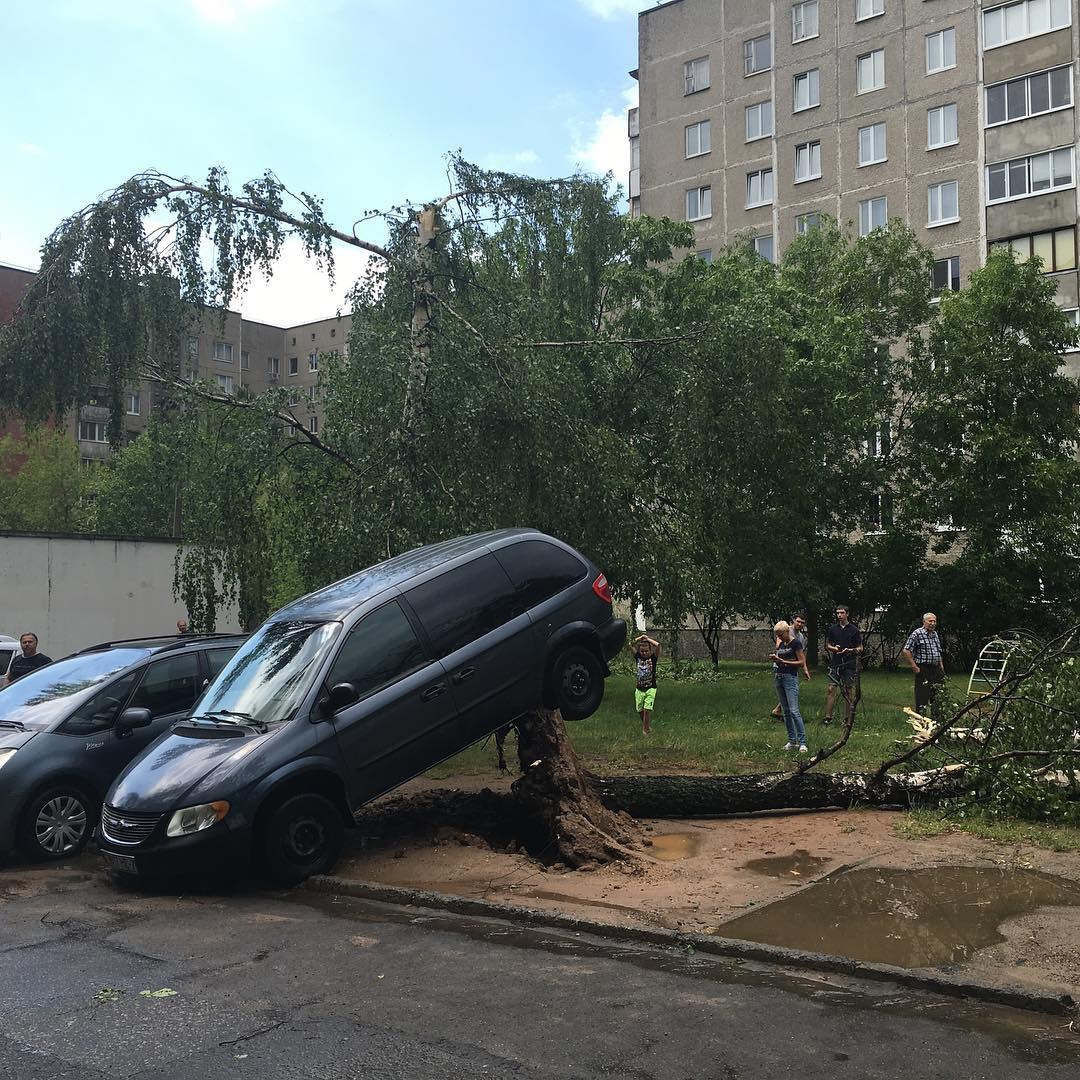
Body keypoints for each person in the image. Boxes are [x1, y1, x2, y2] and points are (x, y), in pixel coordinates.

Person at [770, 621, 808, 753]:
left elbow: (801, 661)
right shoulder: (781, 643)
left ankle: (802, 742)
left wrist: (783, 661)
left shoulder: (796, 643)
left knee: (793, 710)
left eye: (780, 634)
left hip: (790, 678)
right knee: (785, 711)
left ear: (787, 631)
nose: (779, 637)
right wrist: (776, 659)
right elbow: (780, 659)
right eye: (777, 635)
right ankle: (792, 741)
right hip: (779, 677)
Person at [823, 605, 862, 726]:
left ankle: (847, 718)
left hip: (849, 664)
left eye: (842, 613)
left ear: (847, 614)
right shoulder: (833, 629)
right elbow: (827, 645)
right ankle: (828, 717)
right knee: (831, 689)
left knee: (848, 691)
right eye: (837, 613)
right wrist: (834, 649)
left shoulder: (854, 630)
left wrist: (851, 650)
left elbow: (860, 648)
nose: (839, 615)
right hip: (835, 663)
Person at [901, 612, 945, 716]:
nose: (933, 623)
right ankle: (921, 722)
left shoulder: (935, 634)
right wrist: (914, 666)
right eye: (930, 621)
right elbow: (906, 650)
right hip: (923, 669)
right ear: (924, 622)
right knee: (922, 698)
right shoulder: (917, 633)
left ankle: (936, 723)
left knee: (938, 696)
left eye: (934, 621)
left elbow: (938, 651)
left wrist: (941, 666)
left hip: (936, 669)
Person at [771, 614, 810, 718]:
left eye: (802, 622)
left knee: (790, 689)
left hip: (791, 666)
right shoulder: (786, 630)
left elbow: (801, 656)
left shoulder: (800, 637)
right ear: (793, 621)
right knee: (786, 689)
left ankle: (779, 710)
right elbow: (779, 645)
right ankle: (780, 710)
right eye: (798, 621)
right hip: (780, 665)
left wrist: (805, 669)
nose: (799, 624)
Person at [631, 634, 660, 735]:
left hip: (651, 688)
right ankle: (646, 725)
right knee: (640, 710)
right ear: (639, 651)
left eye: (646, 651)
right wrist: (639, 638)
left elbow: (658, 645)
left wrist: (647, 639)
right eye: (642, 651)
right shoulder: (637, 657)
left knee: (647, 710)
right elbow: (629, 644)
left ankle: (645, 730)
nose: (644, 653)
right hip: (639, 689)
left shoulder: (653, 658)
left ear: (650, 650)